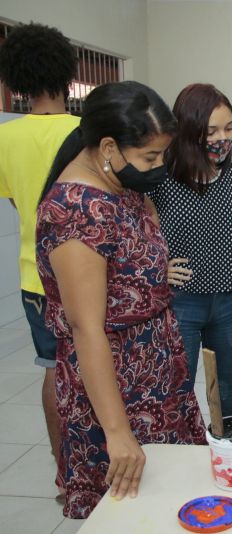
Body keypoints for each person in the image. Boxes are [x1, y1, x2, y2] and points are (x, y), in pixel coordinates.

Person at [36, 81, 207, 519]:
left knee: (170, 505)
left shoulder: (123, 187)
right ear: (108, 146)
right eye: (150, 157)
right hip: (115, 393)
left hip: (156, 377)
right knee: (129, 515)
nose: (157, 168)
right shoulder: (76, 208)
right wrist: (117, 432)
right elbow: (86, 328)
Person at [0, 23, 80, 498]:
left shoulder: (6, 138)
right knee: (99, 370)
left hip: (36, 276)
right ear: (67, 74)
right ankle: (106, 464)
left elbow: (18, 205)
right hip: (91, 275)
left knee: (54, 370)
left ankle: (65, 476)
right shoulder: (88, 132)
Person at [149, 83, 232, 417]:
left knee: (227, 397)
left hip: (227, 303)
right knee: (177, 395)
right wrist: (158, 266)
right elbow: (140, 229)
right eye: (211, 131)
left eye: (229, 127)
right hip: (181, 303)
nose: (223, 137)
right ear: (188, 132)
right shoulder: (162, 179)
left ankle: (226, 462)